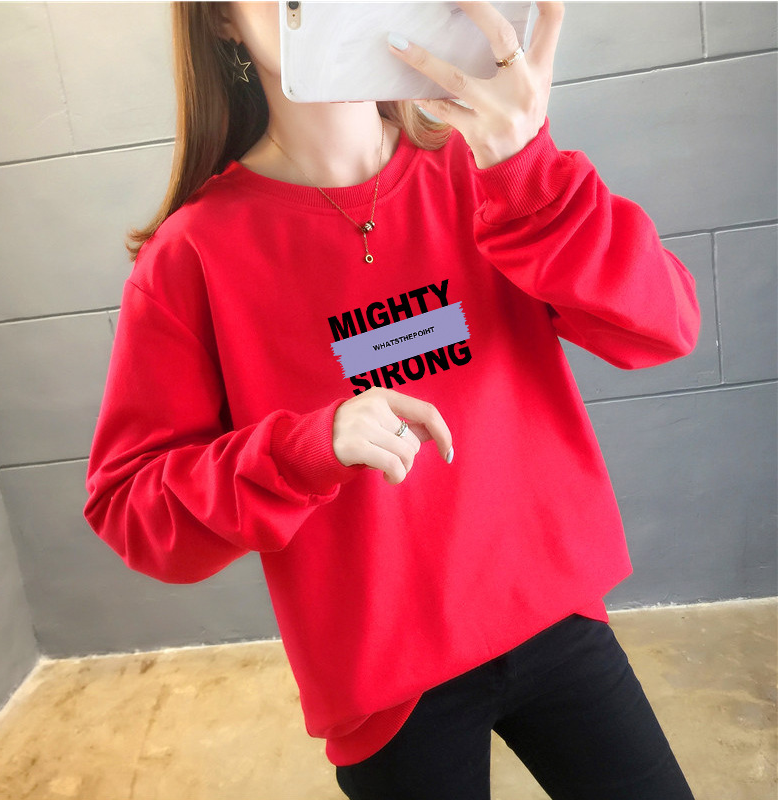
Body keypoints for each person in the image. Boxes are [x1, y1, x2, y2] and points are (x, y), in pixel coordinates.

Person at [84, 2, 701, 798]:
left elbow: (665, 325)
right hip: (387, 681)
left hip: (552, 614)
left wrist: (530, 174)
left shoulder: (483, 169)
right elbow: (132, 508)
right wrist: (304, 449)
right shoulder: (191, 256)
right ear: (222, 22)